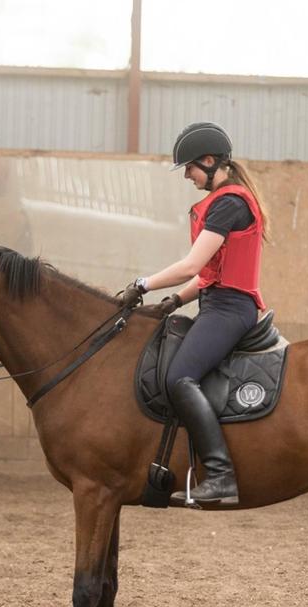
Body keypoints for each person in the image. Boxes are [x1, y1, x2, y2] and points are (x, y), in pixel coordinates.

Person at [120, 121, 270, 508]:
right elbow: (209, 275)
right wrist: (176, 301)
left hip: (231, 310)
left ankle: (220, 474)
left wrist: (142, 284)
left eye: (190, 167)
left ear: (209, 161)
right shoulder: (224, 202)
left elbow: (191, 265)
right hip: (217, 303)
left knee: (179, 376)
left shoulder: (228, 204)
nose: (187, 175)